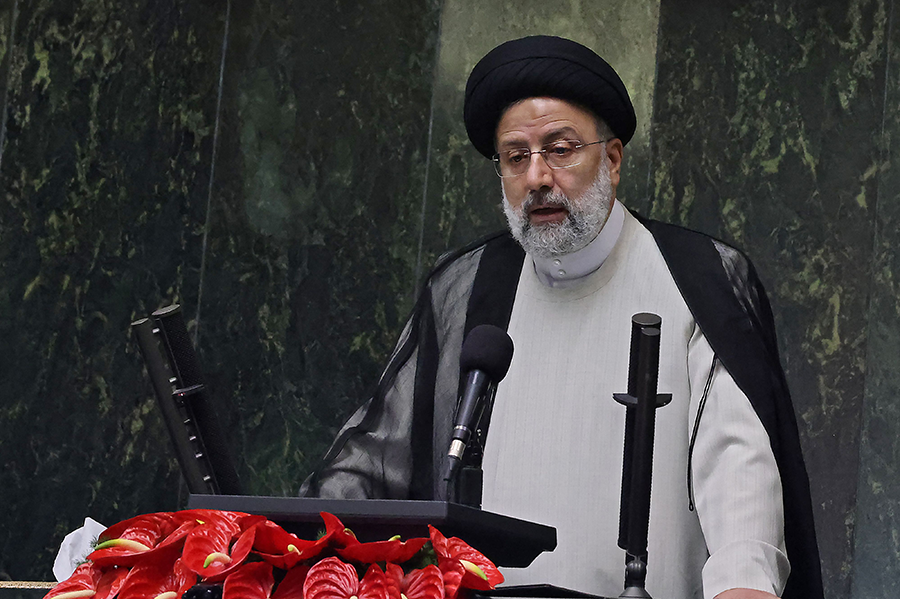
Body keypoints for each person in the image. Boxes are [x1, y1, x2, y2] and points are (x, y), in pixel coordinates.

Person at [301, 36, 822, 599]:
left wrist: (744, 585)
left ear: (613, 159)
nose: (537, 178)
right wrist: (277, 546)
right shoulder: (469, 285)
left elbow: (739, 470)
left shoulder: (698, 277)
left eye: (560, 148)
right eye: (516, 156)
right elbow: (380, 458)